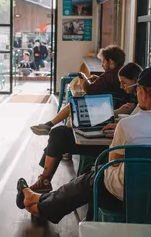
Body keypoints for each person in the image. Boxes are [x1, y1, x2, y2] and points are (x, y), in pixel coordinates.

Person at [16, 67, 151, 224]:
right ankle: (39, 199)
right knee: (86, 182)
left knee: (88, 181)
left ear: (143, 93)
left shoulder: (128, 125)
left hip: (125, 192)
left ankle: (38, 206)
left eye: (137, 90)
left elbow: (114, 161)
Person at [28, 62, 142, 193]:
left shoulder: (139, 104)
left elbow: (130, 129)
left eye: (124, 83)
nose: (121, 87)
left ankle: (45, 179)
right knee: (58, 135)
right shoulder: (136, 99)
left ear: (135, 81)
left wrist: (117, 120)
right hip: (110, 135)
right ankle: (45, 178)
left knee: (58, 135)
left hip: (111, 147)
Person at [31, 45, 127, 136]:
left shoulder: (109, 75)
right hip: (113, 105)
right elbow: (109, 85)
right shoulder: (121, 72)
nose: (102, 65)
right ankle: (50, 126)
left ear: (111, 62)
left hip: (104, 107)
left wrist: (83, 82)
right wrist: (99, 79)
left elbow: (89, 90)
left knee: (74, 104)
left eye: (103, 62)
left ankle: (51, 126)